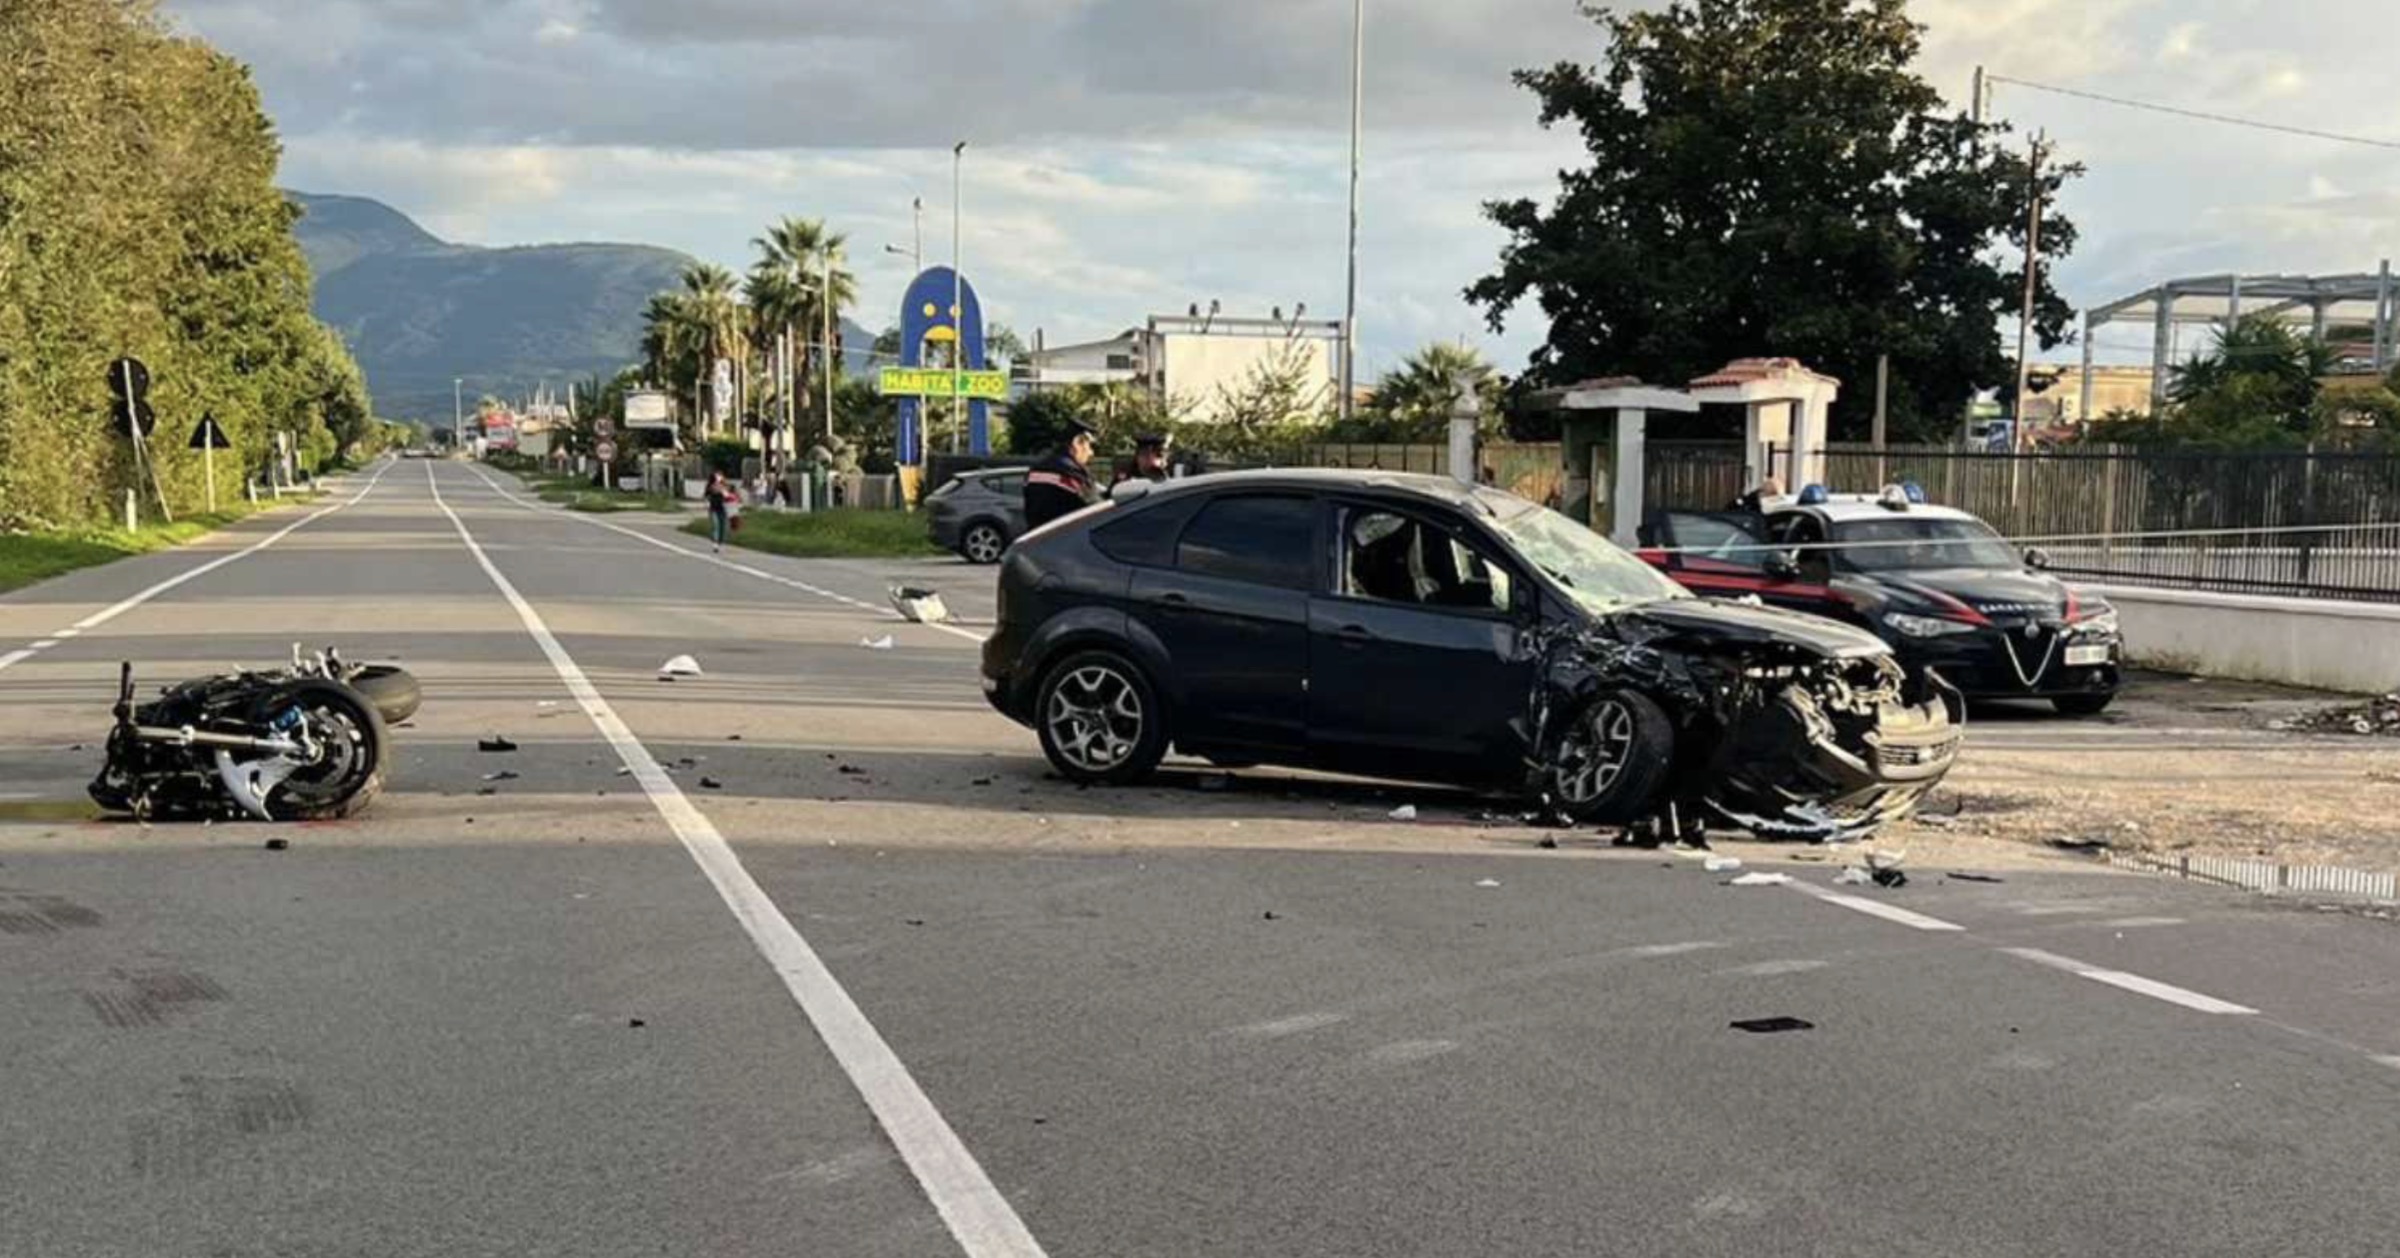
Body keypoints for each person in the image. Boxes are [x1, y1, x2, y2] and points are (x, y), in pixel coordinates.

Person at [1023, 420, 1100, 530]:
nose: (1091, 453)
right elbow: (1096, 510)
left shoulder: (1035, 470)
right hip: (1069, 540)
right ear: (1077, 442)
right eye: (1089, 446)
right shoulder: (1072, 474)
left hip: (1037, 541)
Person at [704, 471, 739, 553]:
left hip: (723, 509)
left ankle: (720, 543)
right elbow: (711, 492)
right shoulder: (711, 486)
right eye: (717, 476)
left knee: (723, 527)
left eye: (720, 476)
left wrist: (733, 496)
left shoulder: (724, 486)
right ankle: (715, 544)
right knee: (716, 526)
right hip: (713, 509)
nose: (719, 477)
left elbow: (728, 495)